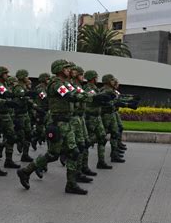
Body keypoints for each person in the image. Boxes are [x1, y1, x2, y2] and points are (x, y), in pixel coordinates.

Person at [17, 59, 113, 195]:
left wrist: (97, 96)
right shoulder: (56, 84)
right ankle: (25, 171)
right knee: (53, 154)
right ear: (60, 69)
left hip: (66, 122)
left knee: (73, 152)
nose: (69, 70)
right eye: (66, 68)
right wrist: (94, 98)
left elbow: (78, 93)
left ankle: (71, 184)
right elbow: (70, 95)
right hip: (58, 122)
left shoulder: (65, 83)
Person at [0, 66, 21, 169]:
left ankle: (8, 159)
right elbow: (6, 93)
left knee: (10, 136)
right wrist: (18, 94)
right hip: (0, 114)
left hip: (6, 113)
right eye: (5, 73)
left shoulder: (4, 84)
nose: (7, 75)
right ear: (0, 74)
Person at [83, 70, 112, 170]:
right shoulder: (88, 88)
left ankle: (101, 162)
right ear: (92, 78)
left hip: (97, 117)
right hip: (91, 117)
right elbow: (93, 99)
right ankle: (84, 165)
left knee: (102, 138)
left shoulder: (95, 88)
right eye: (96, 77)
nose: (97, 79)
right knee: (87, 141)